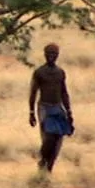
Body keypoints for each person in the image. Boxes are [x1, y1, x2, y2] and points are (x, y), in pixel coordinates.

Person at [27, 43, 74, 174]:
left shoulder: (60, 73)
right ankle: (43, 161)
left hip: (58, 107)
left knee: (58, 139)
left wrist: (69, 112)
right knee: (48, 137)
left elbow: (64, 92)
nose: (51, 57)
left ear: (58, 56)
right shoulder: (39, 72)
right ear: (45, 55)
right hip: (44, 107)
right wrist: (31, 113)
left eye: (54, 54)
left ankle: (49, 167)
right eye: (49, 54)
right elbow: (33, 92)